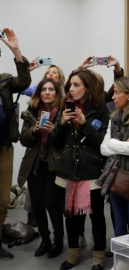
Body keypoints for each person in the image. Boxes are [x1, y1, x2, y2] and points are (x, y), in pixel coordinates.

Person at [51, 70, 110, 270]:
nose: (71, 89)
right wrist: (61, 124)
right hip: (68, 173)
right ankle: (73, 254)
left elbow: (103, 144)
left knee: (97, 218)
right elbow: (55, 143)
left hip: (91, 173)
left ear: (87, 87)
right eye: (70, 85)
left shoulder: (101, 111)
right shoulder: (64, 109)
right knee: (71, 217)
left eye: (76, 85)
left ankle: (98, 257)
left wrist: (85, 125)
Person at [17, 78, 65, 258]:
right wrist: (34, 130)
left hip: (54, 165)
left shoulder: (62, 112)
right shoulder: (31, 111)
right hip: (35, 164)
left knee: (52, 204)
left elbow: (65, 141)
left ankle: (58, 240)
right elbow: (23, 139)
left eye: (51, 89)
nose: (47, 92)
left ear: (56, 92)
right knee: (37, 205)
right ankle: (45, 240)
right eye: (44, 89)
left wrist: (54, 131)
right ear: (39, 93)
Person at [97, 76, 129, 237]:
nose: (112, 97)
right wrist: (118, 144)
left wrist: (112, 142)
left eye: (117, 93)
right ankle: (121, 261)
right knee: (119, 223)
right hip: (115, 177)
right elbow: (103, 149)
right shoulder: (114, 118)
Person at [0, 27, 32, 260]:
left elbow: (24, 80)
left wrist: (16, 51)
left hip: (3, 149)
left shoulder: (3, 81)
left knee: (2, 200)